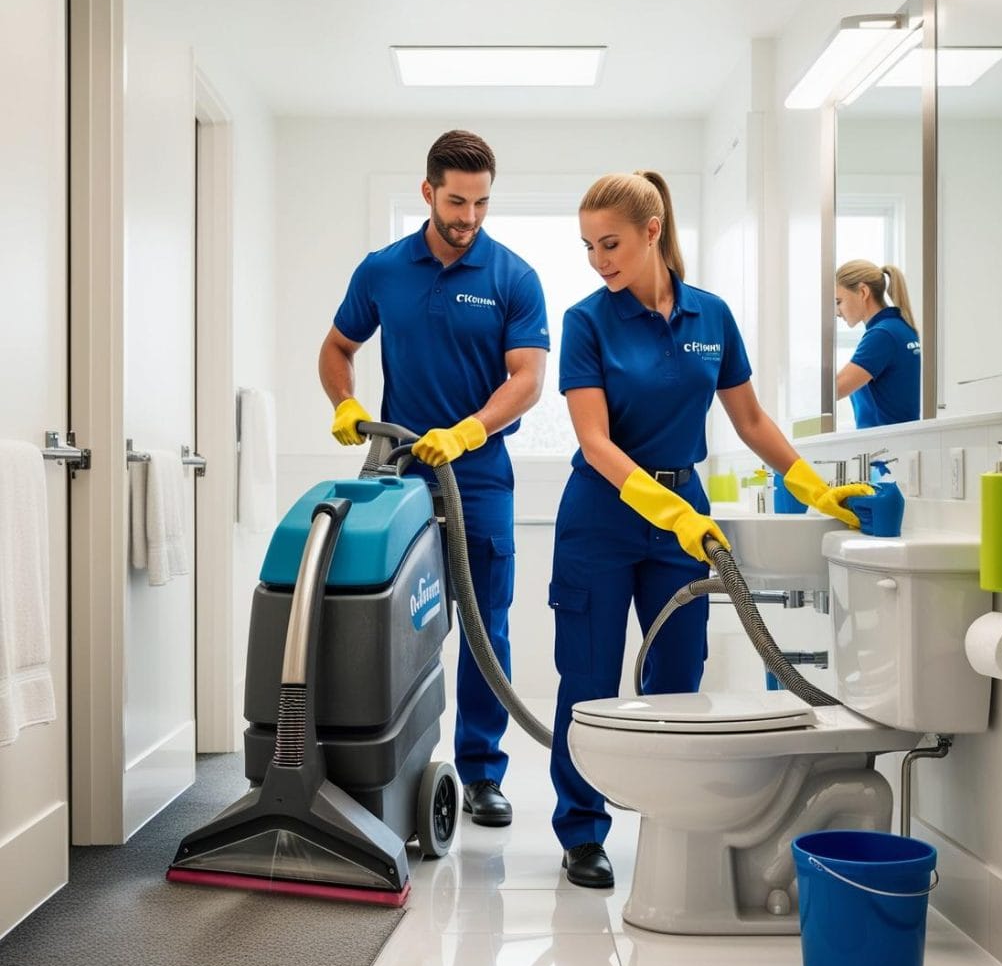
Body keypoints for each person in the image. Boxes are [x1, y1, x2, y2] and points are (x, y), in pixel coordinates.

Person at [549, 171, 872, 888]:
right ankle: (582, 832)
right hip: (604, 513)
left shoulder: (711, 317)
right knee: (589, 677)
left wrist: (811, 485)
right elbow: (596, 442)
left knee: (678, 676)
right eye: (589, 247)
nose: (599, 260)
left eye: (611, 243)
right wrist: (668, 511)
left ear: (652, 231)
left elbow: (750, 421)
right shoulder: (585, 321)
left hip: (680, 512)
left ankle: (674, 816)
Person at [319, 130, 549, 827]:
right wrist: (348, 405)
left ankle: (481, 775)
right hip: (401, 478)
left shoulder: (512, 276)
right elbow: (337, 348)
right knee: (393, 622)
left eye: (481, 202)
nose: (469, 216)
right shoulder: (383, 270)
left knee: (485, 629)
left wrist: (472, 429)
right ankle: (393, 764)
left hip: (477, 476)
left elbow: (529, 378)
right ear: (428, 192)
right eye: (456, 201)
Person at [835, 260, 921, 429]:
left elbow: (836, 389)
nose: (837, 312)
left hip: (884, 448)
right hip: (899, 444)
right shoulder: (900, 327)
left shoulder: (882, 335)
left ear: (863, 291)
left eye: (839, 302)